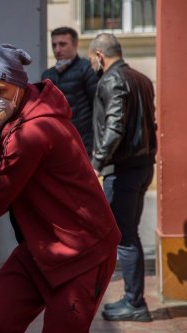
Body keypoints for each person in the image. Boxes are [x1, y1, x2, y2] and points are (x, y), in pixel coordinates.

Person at [0, 44, 121, 333]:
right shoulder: (19, 121)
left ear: (19, 87)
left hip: (83, 253)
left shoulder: (31, 133)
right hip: (39, 247)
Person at [88, 33, 157, 322]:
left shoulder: (112, 80)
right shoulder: (141, 78)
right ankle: (134, 299)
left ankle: (134, 303)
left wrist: (96, 164)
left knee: (124, 237)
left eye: (91, 57)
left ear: (99, 55)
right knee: (128, 234)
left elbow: (114, 127)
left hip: (124, 171)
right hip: (142, 167)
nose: (91, 62)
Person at [42, 26, 99, 157]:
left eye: (62, 44)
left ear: (75, 45)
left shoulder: (86, 69)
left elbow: (98, 107)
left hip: (84, 144)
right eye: (54, 45)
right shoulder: (47, 75)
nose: (57, 49)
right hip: (57, 144)